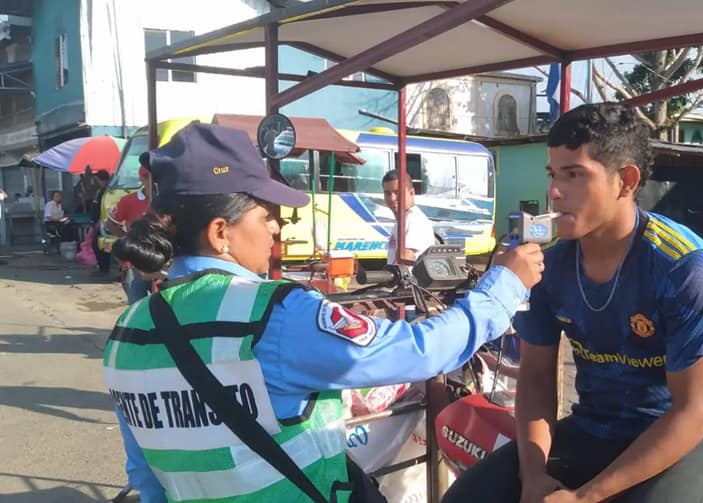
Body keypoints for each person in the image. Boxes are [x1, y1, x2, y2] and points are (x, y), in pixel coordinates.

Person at [105, 122, 545, 503]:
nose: (276, 226)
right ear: (220, 232)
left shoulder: (126, 333)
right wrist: (503, 286)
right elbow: (418, 351)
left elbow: (146, 475)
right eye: (265, 214)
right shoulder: (274, 312)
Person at [442, 103, 703, 503]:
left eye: (575, 174)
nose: (554, 191)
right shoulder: (547, 265)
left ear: (625, 181)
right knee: (468, 497)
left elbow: (694, 411)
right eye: (553, 174)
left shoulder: (686, 268)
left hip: (690, 440)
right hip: (594, 428)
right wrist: (533, 476)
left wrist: (585, 497)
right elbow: (536, 376)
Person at [105, 166, 152, 303]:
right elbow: (111, 223)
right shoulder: (128, 201)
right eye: (150, 178)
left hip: (160, 260)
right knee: (136, 302)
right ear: (143, 179)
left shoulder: (165, 200)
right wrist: (127, 240)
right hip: (135, 260)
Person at [382, 169, 435, 266]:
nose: (392, 198)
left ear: (411, 192)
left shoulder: (414, 220)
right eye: (387, 193)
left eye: (397, 192)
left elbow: (406, 257)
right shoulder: (403, 219)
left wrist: (389, 275)